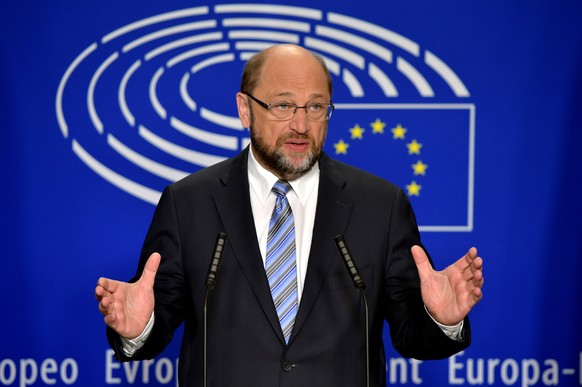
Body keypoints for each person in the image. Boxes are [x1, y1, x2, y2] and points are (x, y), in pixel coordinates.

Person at [95, 44, 483, 387]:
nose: (301, 125)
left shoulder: (380, 205)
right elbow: (154, 322)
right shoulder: (188, 202)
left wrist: (441, 320)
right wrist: (138, 328)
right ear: (245, 109)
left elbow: (412, 335)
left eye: (316, 107)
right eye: (283, 105)